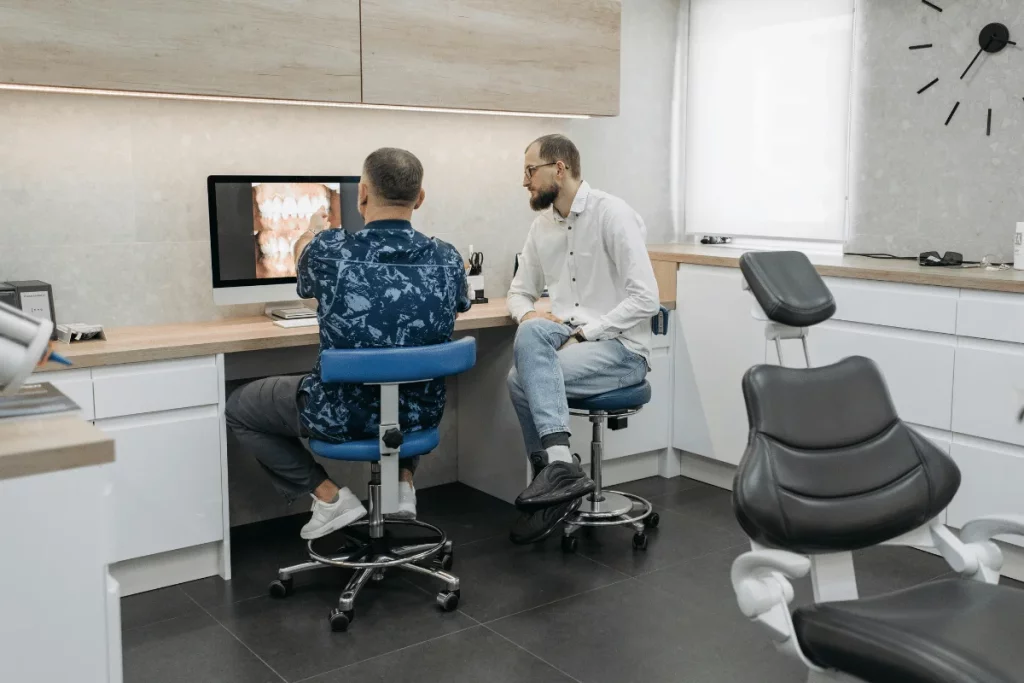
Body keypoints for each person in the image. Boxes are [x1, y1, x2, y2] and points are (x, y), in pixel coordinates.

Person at [226, 148, 471, 540]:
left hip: (343, 415)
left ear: (361, 194)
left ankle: (329, 498)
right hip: (418, 415)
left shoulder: (328, 251)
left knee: (239, 407)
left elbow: (302, 266)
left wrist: (310, 229)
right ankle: (402, 482)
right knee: (406, 371)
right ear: (420, 198)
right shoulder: (448, 259)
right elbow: (461, 305)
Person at [506, 134, 660, 544]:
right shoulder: (541, 226)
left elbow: (647, 298)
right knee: (531, 328)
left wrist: (585, 333)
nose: (525, 182)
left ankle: (551, 477)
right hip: (568, 341)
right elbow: (519, 292)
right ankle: (559, 468)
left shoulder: (613, 214)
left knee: (518, 380)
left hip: (621, 348)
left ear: (559, 168)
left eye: (530, 171)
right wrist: (530, 313)